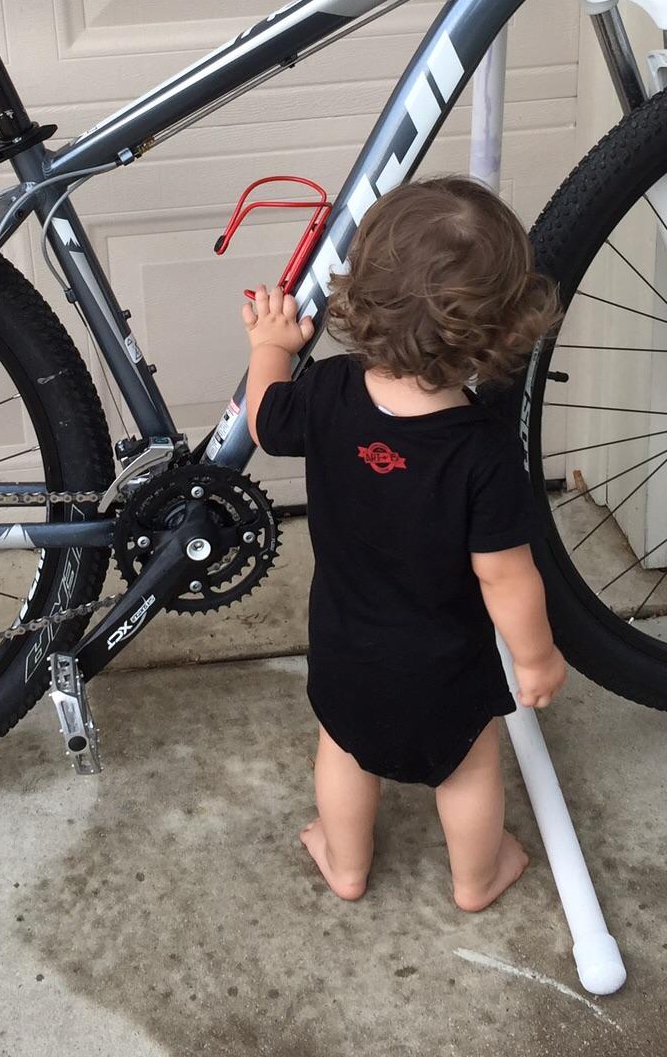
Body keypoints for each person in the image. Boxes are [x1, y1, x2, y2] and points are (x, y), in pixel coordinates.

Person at [241, 175, 567, 912]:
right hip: (445, 669)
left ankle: (344, 861)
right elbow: (505, 578)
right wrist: (536, 657)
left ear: (362, 290)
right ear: (501, 329)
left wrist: (271, 346)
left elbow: (264, 419)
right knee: (468, 768)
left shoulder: (323, 393)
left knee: (346, 751)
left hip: (346, 649)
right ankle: (476, 880)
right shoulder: (481, 451)